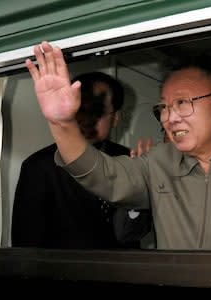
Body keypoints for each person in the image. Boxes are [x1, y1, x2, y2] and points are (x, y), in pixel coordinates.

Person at [25, 41, 211, 251]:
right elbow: (102, 174)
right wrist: (63, 123)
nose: (169, 117)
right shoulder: (156, 163)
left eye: (182, 103)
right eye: (163, 107)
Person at [11, 71, 152, 249]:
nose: (86, 120)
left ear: (115, 118)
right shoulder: (39, 166)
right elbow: (26, 245)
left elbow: (134, 234)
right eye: (79, 110)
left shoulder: (129, 159)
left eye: (97, 111)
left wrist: (137, 193)